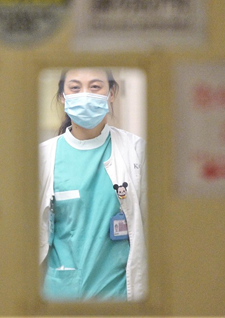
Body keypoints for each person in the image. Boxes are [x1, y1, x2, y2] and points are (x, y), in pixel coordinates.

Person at [38, 68, 147, 302]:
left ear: (112, 93)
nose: (85, 95)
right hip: (59, 298)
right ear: (62, 96)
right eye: (75, 88)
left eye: (95, 87)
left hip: (119, 298)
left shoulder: (136, 151)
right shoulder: (44, 157)